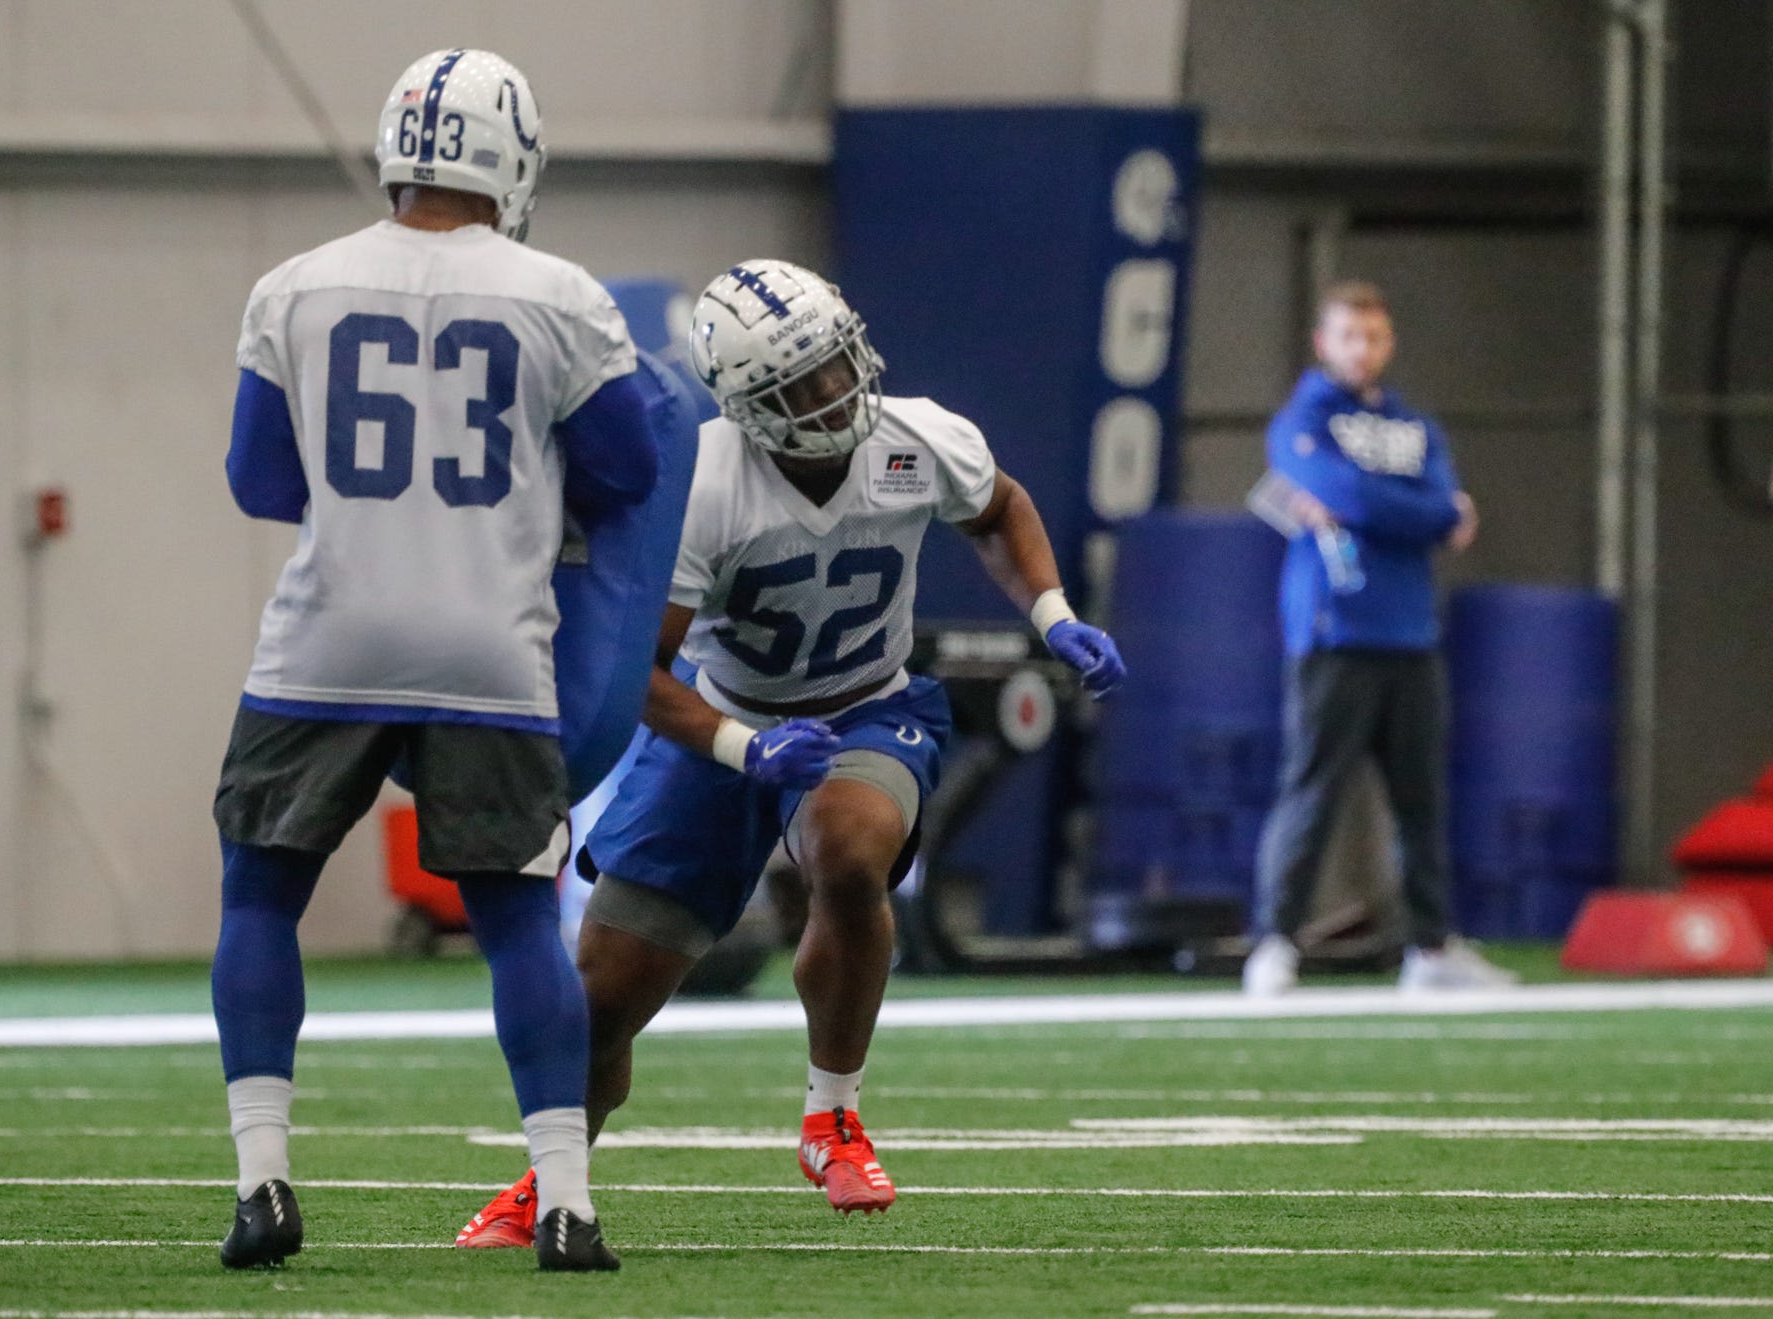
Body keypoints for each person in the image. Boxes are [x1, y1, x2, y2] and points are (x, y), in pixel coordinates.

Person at [454, 258, 1126, 1248]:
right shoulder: (701, 486)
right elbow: (639, 672)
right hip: (722, 721)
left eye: (837, 363)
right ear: (743, 405)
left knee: (848, 850)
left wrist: (1052, 611)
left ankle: (832, 1114)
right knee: (602, 993)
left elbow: (999, 507)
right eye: (799, 383)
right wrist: (742, 743)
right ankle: (552, 1179)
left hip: (869, 707)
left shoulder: (917, 437)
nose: (834, 392)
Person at [211, 47, 664, 1272]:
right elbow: (627, 470)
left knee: (259, 896)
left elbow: (258, 479)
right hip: (487, 644)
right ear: (512, 158)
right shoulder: (561, 296)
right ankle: (564, 1201)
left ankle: (261, 1186)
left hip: (325, 636)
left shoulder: (292, 286)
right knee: (515, 920)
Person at [1243, 280, 1516, 996]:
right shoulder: (1302, 419)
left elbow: (1445, 508)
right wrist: (1415, 511)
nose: (1361, 349)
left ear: (1388, 342)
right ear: (1323, 342)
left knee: (1421, 802)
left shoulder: (1415, 425)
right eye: (1348, 336)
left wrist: (1404, 510)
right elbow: (1359, 494)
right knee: (1312, 792)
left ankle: (1430, 947)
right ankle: (1275, 942)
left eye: (1374, 336)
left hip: (1412, 635)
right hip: (1334, 633)